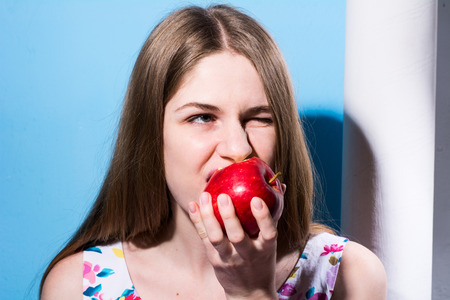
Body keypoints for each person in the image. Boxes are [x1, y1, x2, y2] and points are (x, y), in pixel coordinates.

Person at [40, 4, 386, 300]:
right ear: (151, 135)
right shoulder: (77, 286)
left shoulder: (348, 277)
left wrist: (253, 293)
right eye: (202, 117)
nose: (238, 149)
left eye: (259, 118)